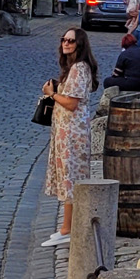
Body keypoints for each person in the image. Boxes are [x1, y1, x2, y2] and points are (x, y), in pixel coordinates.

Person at [41, 28, 99, 247]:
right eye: (64, 39)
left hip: (72, 133)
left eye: (71, 41)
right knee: (67, 176)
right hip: (66, 130)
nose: (66, 43)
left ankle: (68, 228)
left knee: (70, 178)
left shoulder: (79, 68)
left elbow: (72, 103)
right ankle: (66, 227)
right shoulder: (73, 68)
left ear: (79, 44)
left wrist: (52, 94)